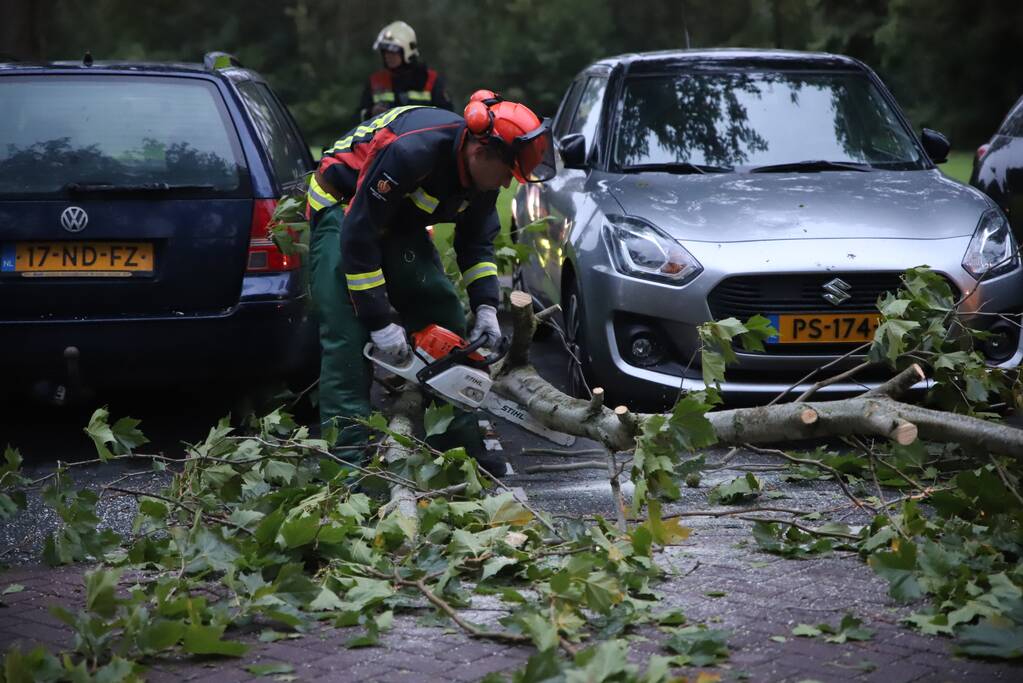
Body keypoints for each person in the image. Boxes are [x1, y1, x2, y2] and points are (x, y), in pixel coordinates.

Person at [307, 91, 555, 468]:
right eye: (507, 174)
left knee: (443, 312)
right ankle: (346, 465)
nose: (507, 185)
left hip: (397, 221)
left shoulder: (481, 180)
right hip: (343, 209)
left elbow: (476, 242)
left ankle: (459, 450)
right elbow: (359, 236)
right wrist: (379, 322)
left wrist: (486, 307)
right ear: (480, 152)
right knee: (347, 337)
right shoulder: (412, 151)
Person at [358, 20, 453, 121]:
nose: (388, 56)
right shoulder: (375, 81)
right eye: (385, 51)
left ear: (407, 51)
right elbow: (357, 117)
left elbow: (448, 116)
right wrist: (370, 113)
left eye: (393, 51)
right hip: (385, 136)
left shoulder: (430, 80)